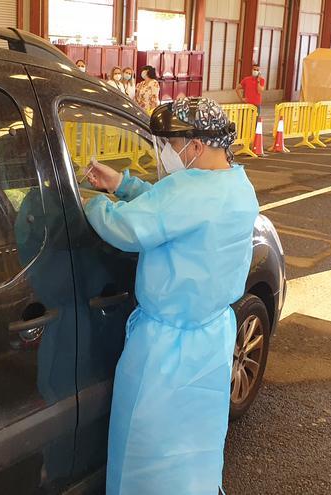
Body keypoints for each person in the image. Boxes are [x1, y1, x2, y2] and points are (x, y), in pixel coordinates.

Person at [82, 97, 259, 495]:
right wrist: (122, 184)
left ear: (195, 145)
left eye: (167, 143)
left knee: (147, 448)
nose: (164, 152)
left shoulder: (188, 191)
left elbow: (127, 228)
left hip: (165, 349)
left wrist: (91, 202)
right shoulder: (236, 183)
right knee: (195, 443)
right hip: (212, 339)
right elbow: (174, 210)